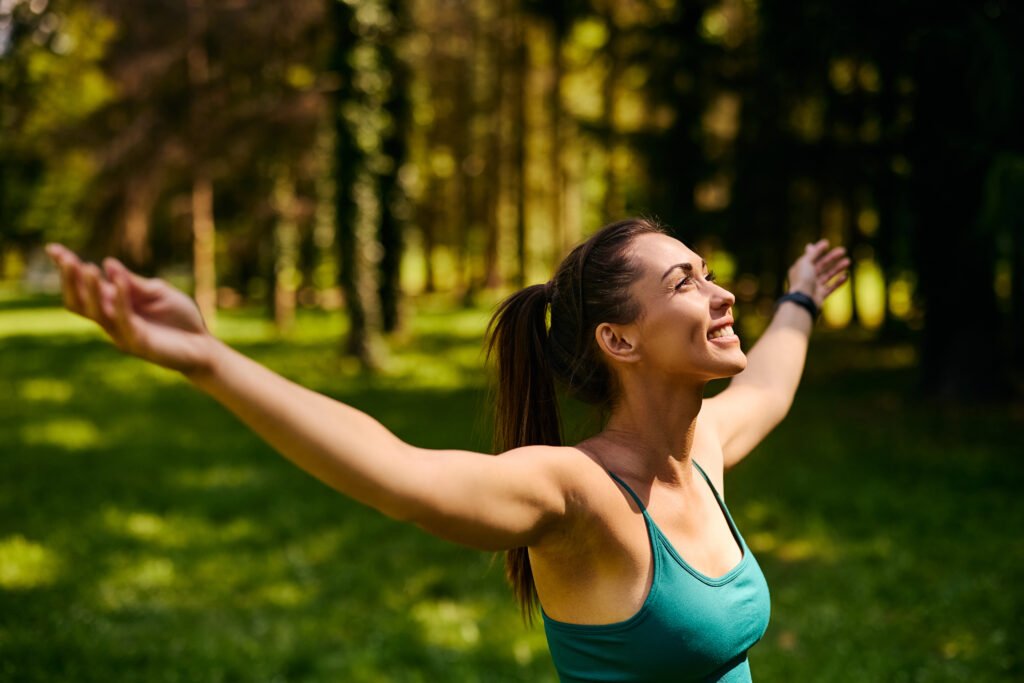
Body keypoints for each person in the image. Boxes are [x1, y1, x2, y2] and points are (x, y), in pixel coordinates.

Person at [45, 217, 850, 682]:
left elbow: (772, 384)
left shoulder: (702, 446)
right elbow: (401, 475)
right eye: (686, 284)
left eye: (708, 275)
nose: (720, 294)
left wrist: (800, 295)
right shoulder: (579, 493)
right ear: (618, 338)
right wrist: (209, 359)